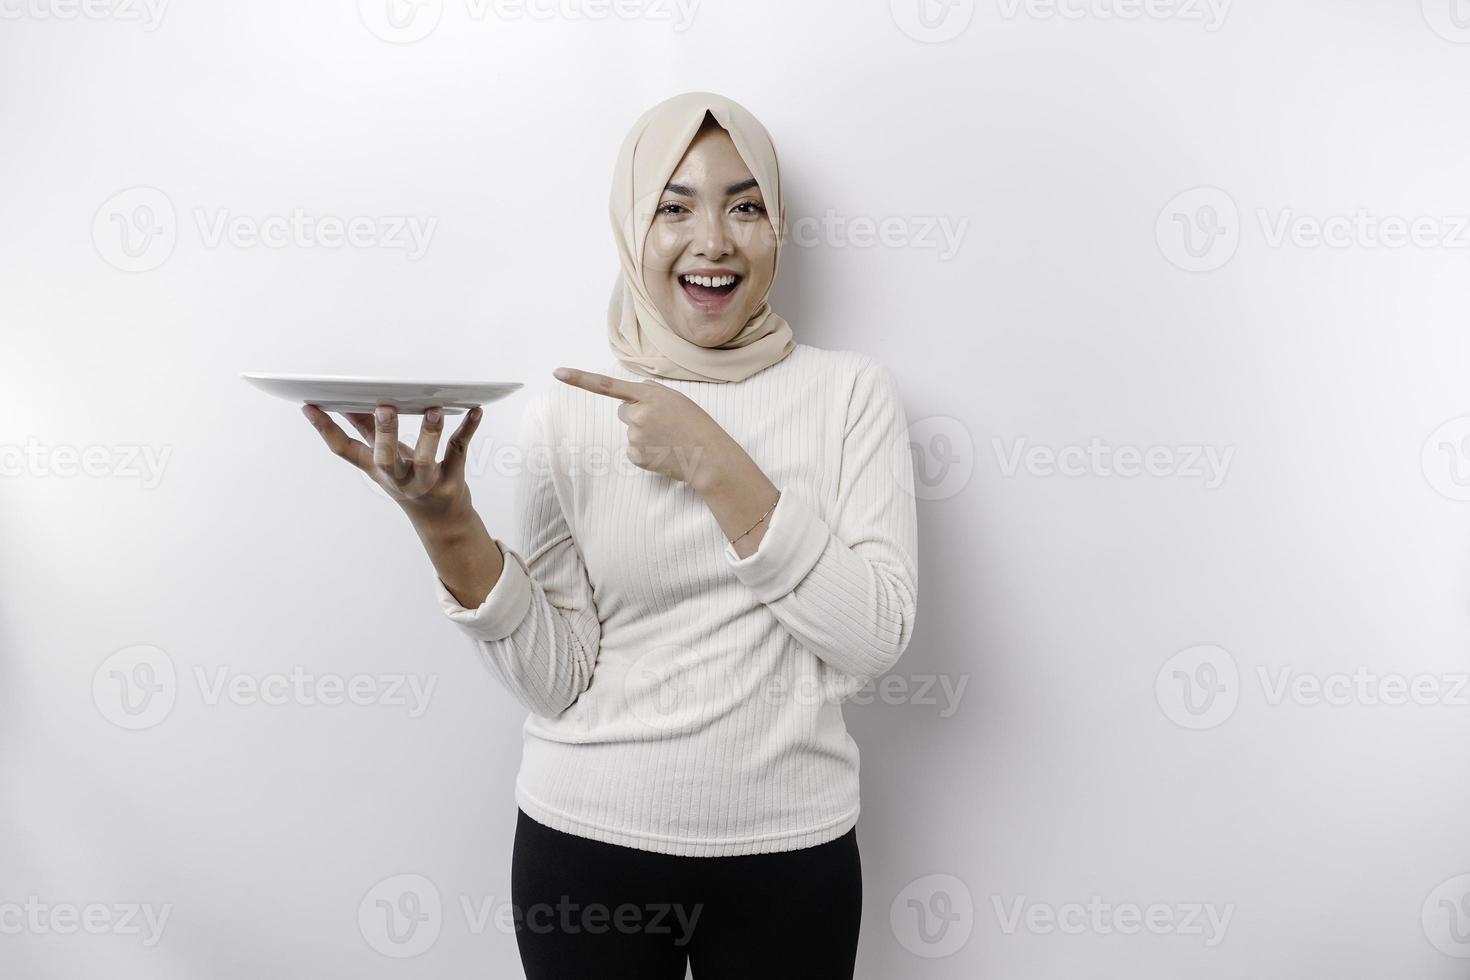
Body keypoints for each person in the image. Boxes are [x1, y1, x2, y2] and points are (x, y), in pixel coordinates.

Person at [302, 91, 919, 979]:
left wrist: (715, 462)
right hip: (588, 853)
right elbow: (558, 680)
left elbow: (874, 640)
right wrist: (445, 526)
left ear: (776, 225)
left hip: (794, 858)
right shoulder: (571, 410)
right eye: (674, 207)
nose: (713, 239)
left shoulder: (852, 395)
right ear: (633, 226)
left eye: (744, 205)